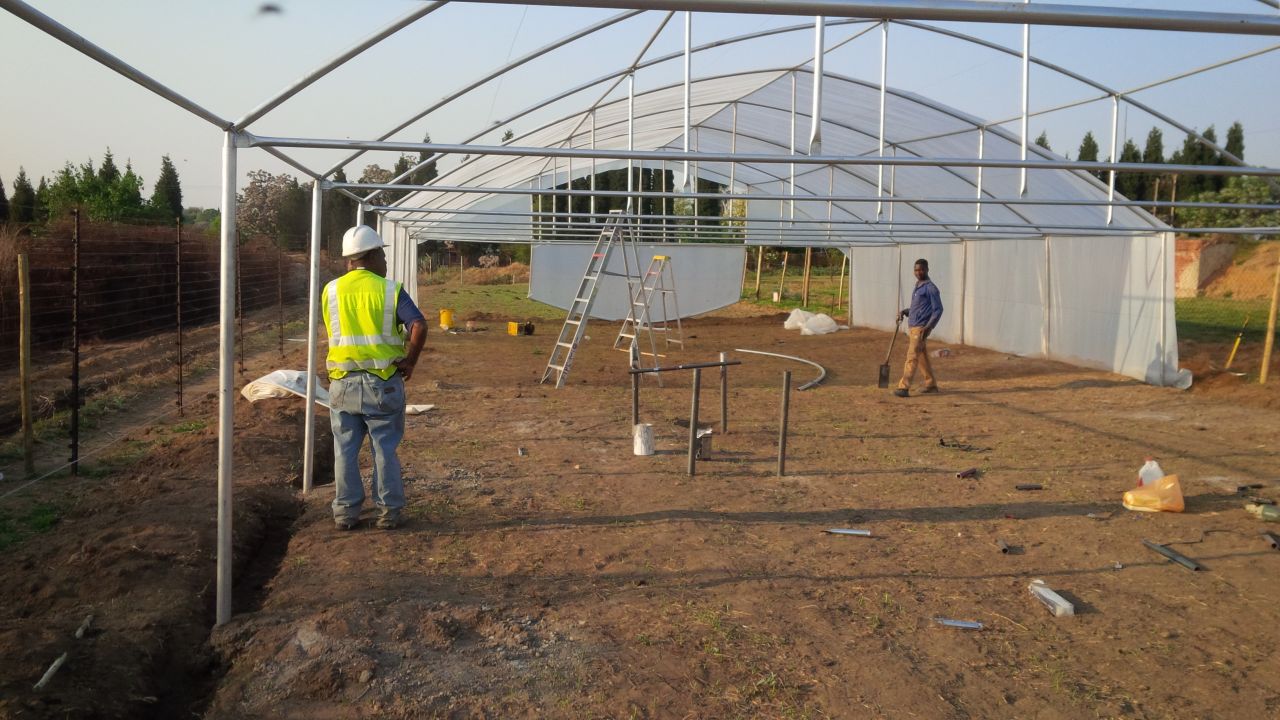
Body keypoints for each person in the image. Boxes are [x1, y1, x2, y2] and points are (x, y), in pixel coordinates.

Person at [323, 225, 427, 530]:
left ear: (349, 260)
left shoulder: (330, 291)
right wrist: (411, 361)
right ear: (371, 256)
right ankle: (389, 513)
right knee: (383, 449)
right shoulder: (390, 289)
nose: (386, 262)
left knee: (344, 451)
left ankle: (345, 513)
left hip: (342, 384)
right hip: (382, 385)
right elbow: (418, 326)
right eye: (383, 254)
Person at [894, 258, 943, 398]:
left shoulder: (930, 288)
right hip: (914, 327)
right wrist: (905, 312)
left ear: (927, 269)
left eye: (921, 269)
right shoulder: (918, 285)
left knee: (912, 357)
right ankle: (931, 384)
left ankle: (903, 387)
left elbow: (938, 309)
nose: (918, 272)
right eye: (916, 270)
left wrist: (929, 327)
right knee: (922, 357)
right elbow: (919, 308)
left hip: (921, 328)